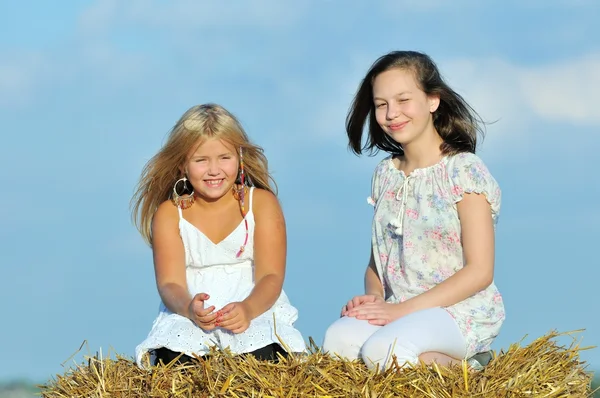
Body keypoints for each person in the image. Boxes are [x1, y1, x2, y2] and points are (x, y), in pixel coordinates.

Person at [322, 51, 505, 372]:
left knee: (385, 349)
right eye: (381, 104)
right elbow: (377, 262)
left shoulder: (464, 170)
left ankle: (473, 371)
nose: (392, 113)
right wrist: (375, 298)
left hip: (458, 310)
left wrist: (400, 312)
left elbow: (480, 272)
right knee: (338, 340)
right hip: (400, 309)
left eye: (403, 100)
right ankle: (432, 362)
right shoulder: (385, 173)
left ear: (433, 100)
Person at [131, 104, 306, 368]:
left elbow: (271, 276)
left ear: (240, 157)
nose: (214, 170)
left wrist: (247, 309)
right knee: (178, 362)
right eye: (201, 160)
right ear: (182, 165)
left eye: (224, 157)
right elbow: (170, 283)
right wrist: (189, 308)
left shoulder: (260, 204)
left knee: (260, 358)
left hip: (254, 307)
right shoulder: (169, 214)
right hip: (190, 315)